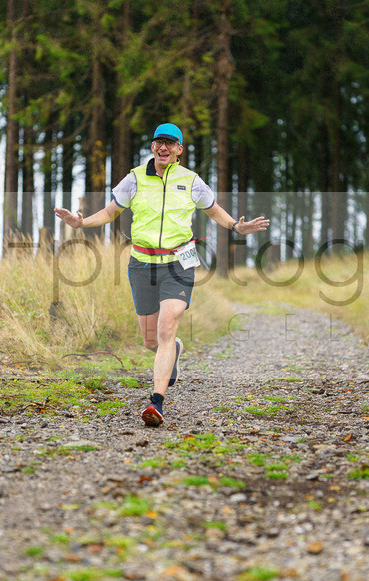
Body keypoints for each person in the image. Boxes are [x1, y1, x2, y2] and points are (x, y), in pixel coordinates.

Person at [55, 123, 269, 427]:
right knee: (150, 339)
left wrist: (236, 226)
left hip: (179, 262)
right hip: (141, 263)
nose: (163, 148)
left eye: (170, 144)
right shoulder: (134, 178)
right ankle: (174, 351)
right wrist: (81, 223)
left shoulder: (192, 181)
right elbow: (109, 212)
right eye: (158, 143)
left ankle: (156, 403)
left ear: (180, 150)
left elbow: (214, 210)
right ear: (153, 147)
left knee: (167, 327)